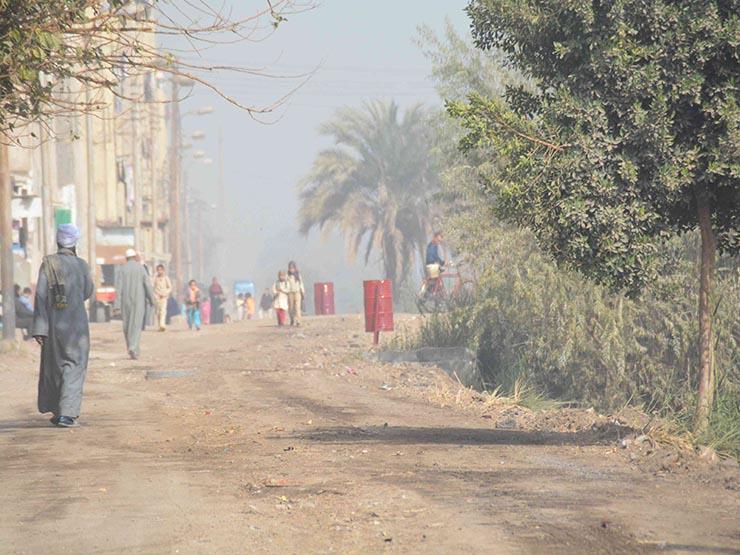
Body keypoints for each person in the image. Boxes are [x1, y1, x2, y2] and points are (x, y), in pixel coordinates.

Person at [31, 224, 94, 428]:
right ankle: (67, 414)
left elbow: (40, 296)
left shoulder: (48, 264)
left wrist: (40, 328)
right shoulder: (82, 266)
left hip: (53, 325)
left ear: (58, 241)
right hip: (77, 326)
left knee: (56, 367)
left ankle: (59, 411)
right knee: (74, 366)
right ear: (75, 243)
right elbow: (87, 292)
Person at [115, 248, 155, 359]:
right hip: (139, 300)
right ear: (135, 257)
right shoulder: (141, 269)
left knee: (127, 326)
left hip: (125, 301)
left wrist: (117, 305)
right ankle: (133, 347)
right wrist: (152, 300)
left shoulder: (122, 270)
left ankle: (132, 348)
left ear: (126, 258)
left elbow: (118, 289)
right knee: (136, 325)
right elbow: (147, 285)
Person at [152, 264, 172, 332]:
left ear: (163, 270)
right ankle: (159, 326)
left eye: (161, 270)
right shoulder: (155, 278)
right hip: (157, 297)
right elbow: (152, 287)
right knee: (158, 312)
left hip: (164, 297)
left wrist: (165, 293)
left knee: (163, 311)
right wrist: (155, 295)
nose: (159, 271)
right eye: (158, 270)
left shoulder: (166, 278)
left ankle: (162, 325)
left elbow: (170, 287)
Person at [286, 260, 305, 327]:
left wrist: (302, 291)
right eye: (290, 268)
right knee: (291, 308)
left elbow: (301, 283)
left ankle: (298, 321)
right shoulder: (287, 276)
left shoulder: (298, 275)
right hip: (290, 293)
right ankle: (292, 319)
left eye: (292, 268)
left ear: (295, 268)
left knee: (298, 307)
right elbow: (286, 284)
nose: (291, 270)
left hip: (297, 292)